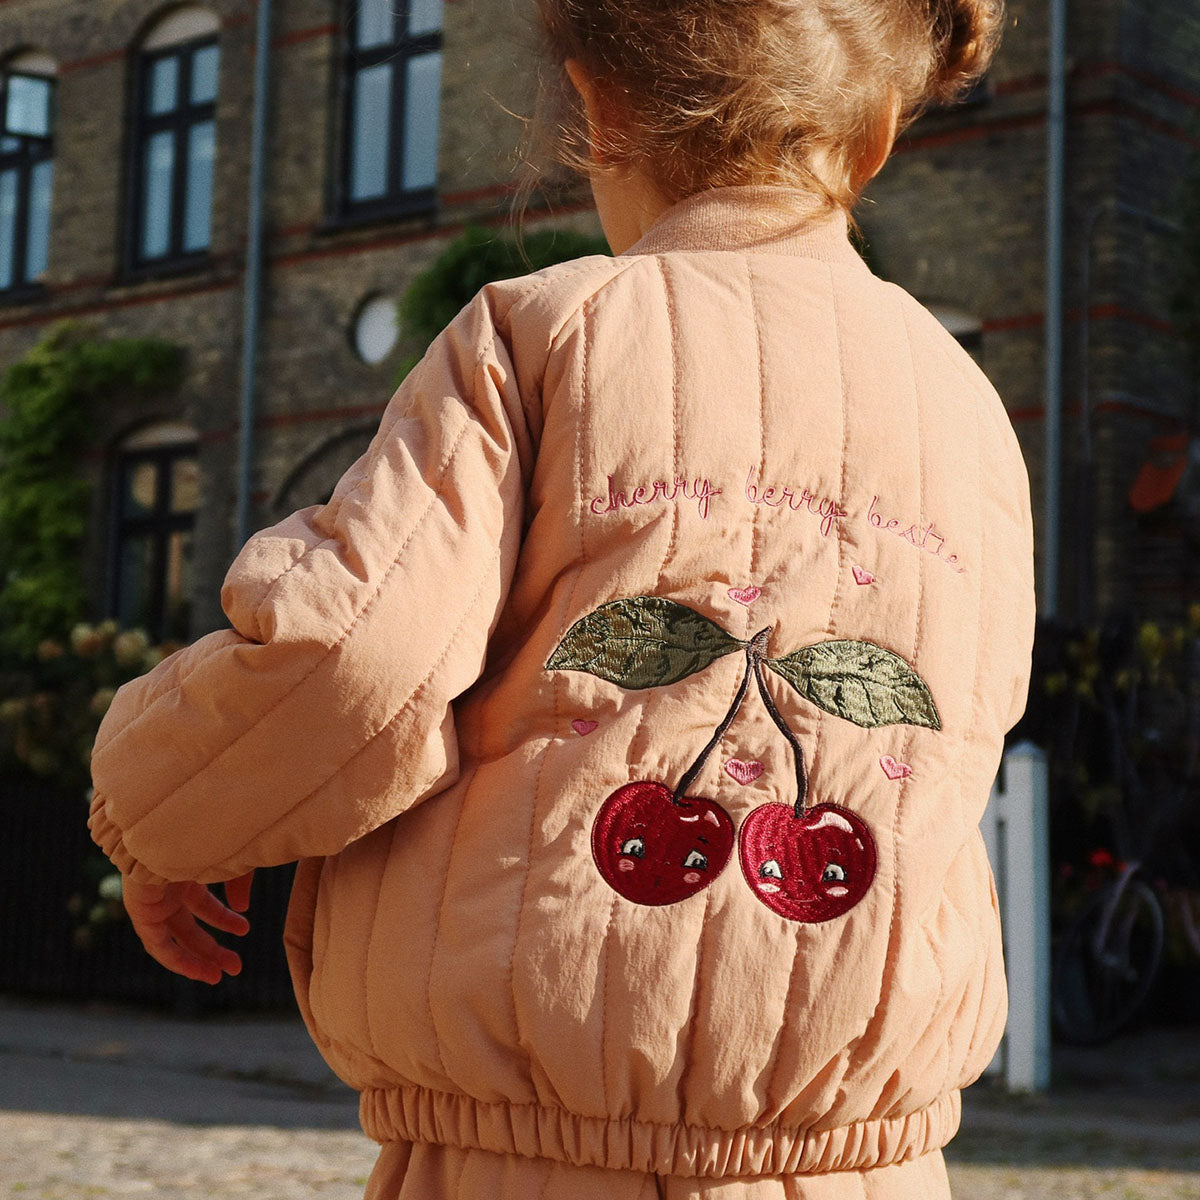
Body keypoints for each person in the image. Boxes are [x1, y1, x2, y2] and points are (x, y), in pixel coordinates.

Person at [89, 0, 1034, 1196]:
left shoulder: (541, 337)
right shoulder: (967, 409)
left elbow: (348, 664)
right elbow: (961, 731)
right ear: (882, 130)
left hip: (526, 1161)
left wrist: (163, 811)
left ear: (599, 104)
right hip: (867, 1165)